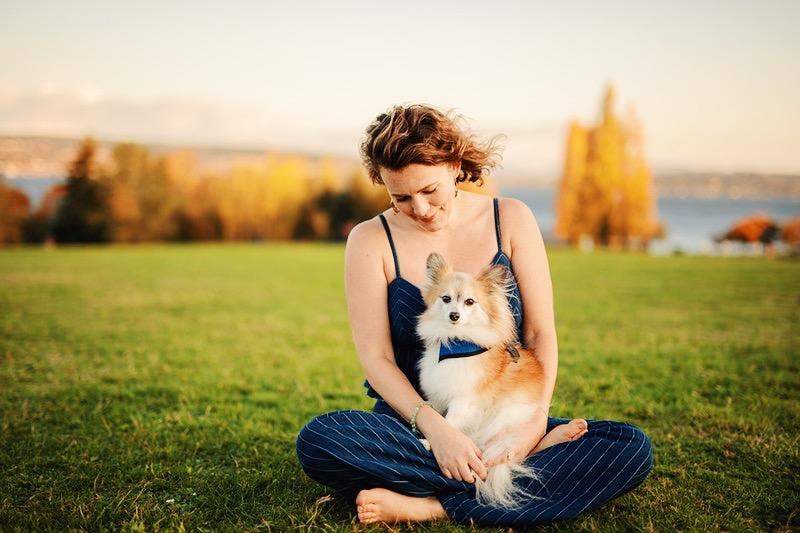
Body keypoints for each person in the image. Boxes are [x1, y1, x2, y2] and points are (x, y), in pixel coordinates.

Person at [295, 104, 653, 526]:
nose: (421, 209)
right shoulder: (369, 240)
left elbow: (539, 333)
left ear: (454, 165)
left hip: (500, 416)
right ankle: (510, 475)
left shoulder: (512, 219)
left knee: (629, 446)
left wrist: (535, 422)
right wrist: (439, 432)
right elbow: (377, 360)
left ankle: (433, 504)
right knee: (320, 440)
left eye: (429, 190)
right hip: (413, 425)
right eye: (401, 198)